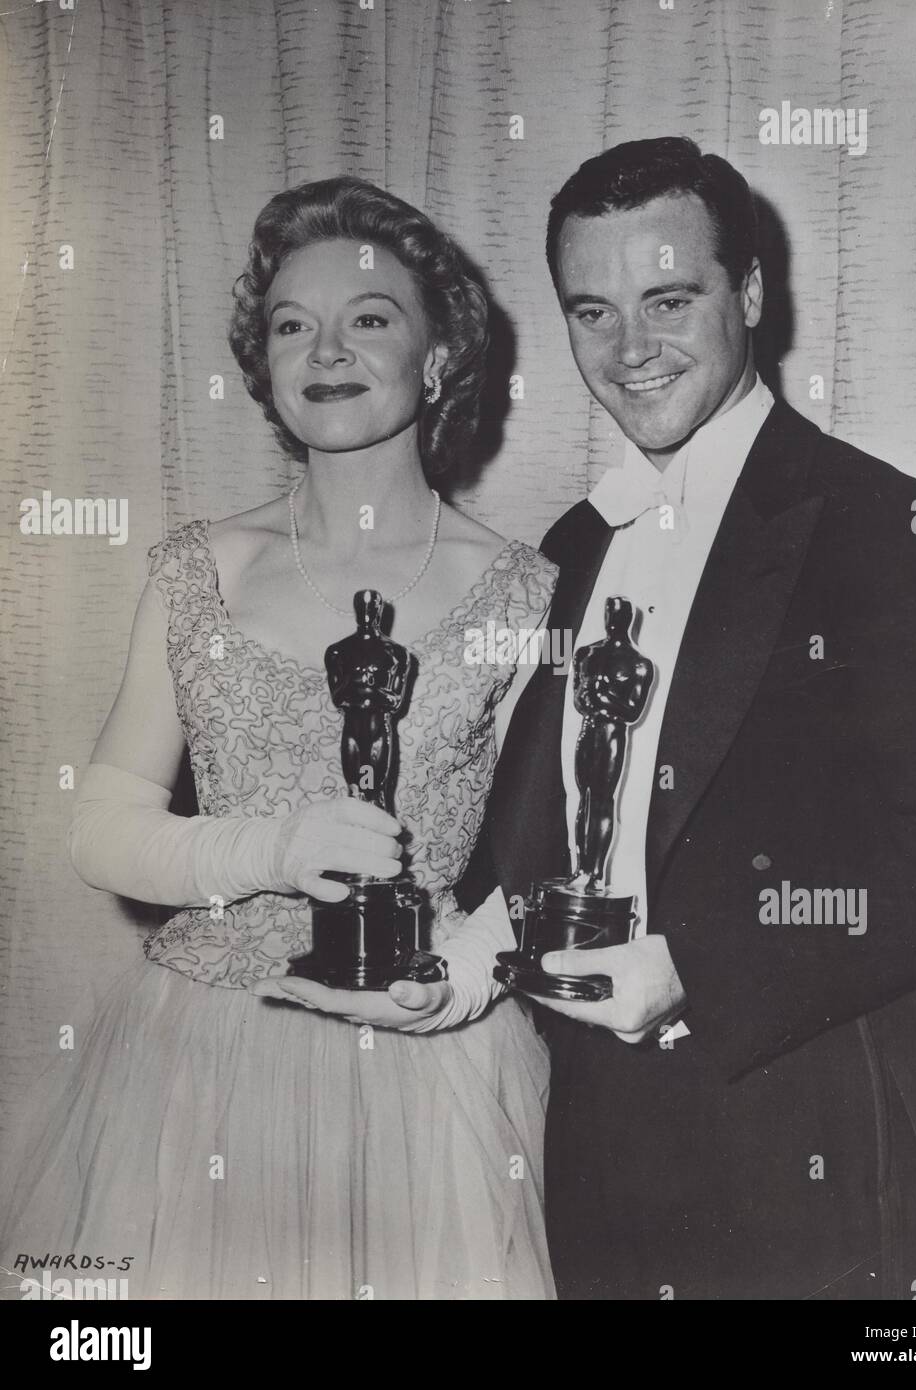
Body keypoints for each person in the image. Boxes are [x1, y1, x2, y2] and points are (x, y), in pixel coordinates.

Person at [292, 136, 916, 1300]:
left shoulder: (878, 524)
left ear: (748, 293)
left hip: (821, 1155)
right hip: (598, 1150)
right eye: (593, 312)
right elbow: (546, 827)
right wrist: (468, 963)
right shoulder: (577, 546)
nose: (630, 350)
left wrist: (701, 967)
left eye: (669, 299)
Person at [0, 176, 557, 1300]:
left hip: (424, 1072)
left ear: (438, 356)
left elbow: (554, 867)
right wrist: (268, 846)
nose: (328, 349)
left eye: (370, 318)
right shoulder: (201, 567)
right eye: (293, 325)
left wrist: (474, 968)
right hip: (197, 1059)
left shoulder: (526, 592)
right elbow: (102, 830)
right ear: (264, 369)